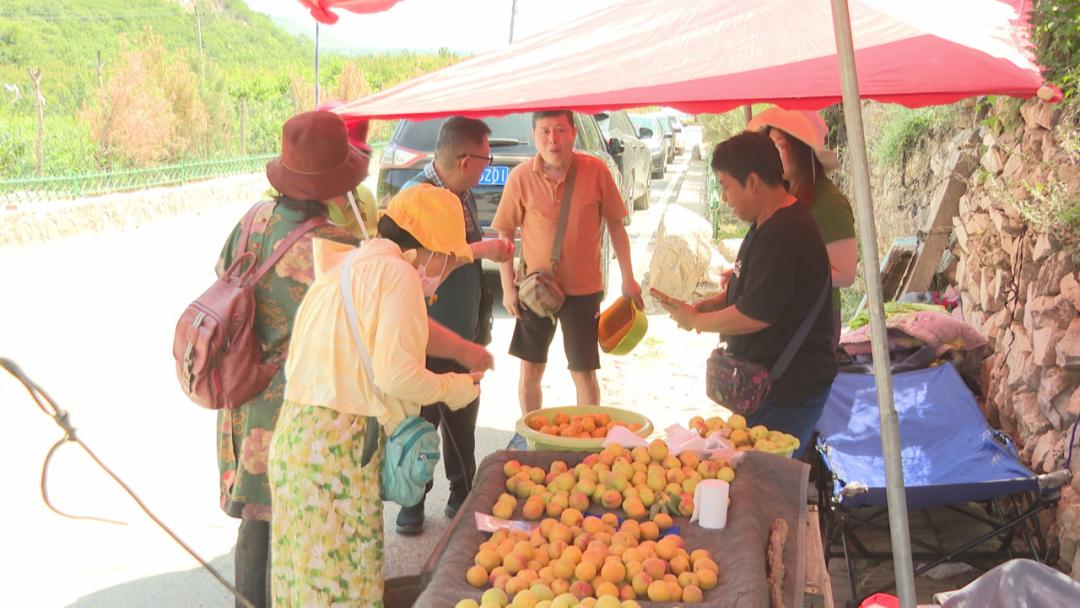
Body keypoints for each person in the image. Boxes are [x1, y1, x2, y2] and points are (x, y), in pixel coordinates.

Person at [268, 184, 488, 606]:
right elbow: (396, 375)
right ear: (431, 249)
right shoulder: (398, 275)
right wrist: (455, 388)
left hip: (296, 442)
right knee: (346, 587)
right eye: (449, 258)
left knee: (304, 587)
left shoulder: (346, 268)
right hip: (335, 450)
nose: (447, 268)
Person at [213, 110, 366, 608]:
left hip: (243, 391)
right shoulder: (335, 245)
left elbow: (224, 274)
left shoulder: (254, 219)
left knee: (256, 519)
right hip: (298, 406)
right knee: (296, 525)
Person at [660, 131, 838, 458]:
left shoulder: (785, 232)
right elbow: (755, 291)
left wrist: (697, 320)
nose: (725, 198)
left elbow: (756, 314)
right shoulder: (766, 224)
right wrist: (713, 304)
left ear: (753, 182)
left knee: (766, 477)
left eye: (726, 186)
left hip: (788, 389)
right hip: (767, 386)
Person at [394, 117, 515, 535]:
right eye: (486, 159)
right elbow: (428, 265)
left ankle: (461, 496)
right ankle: (413, 500)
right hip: (427, 336)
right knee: (422, 419)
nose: (487, 167)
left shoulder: (460, 194)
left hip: (464, 328)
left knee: (462, 420)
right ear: (466, 161)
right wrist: (487, 248)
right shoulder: (417, 199)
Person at [493, 110, 643, 428]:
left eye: (560, 130)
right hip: (535, 292)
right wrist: (507, 289)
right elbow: (504, 234)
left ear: (574, 133)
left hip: (584, 291)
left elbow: (616, 226)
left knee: (583, 371)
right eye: (545, 131)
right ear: (534, 136)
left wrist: (628, 279)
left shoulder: (596, 170)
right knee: (530, 370)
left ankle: (586, 437)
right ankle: (532, 434)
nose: (553, 139)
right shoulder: (520, 177)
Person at [747, 107, 857, 347]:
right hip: (783, 315)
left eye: (779, 146)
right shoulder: (781, 197)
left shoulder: (829, 204)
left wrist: (783, 274)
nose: (772, 156)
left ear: (801, 148)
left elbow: (845, 274)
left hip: (813, 321)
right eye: (769, 147)